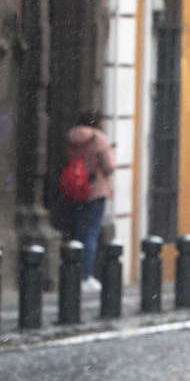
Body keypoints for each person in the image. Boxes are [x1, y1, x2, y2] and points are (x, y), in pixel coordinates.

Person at [65, 110, 115, 291]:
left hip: (76, 188)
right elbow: (109, 167)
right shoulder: (98, 138)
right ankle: (86, 276)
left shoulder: (72, 137)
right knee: (91, 233)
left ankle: (73, 273)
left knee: (79, 231)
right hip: (94, 189)